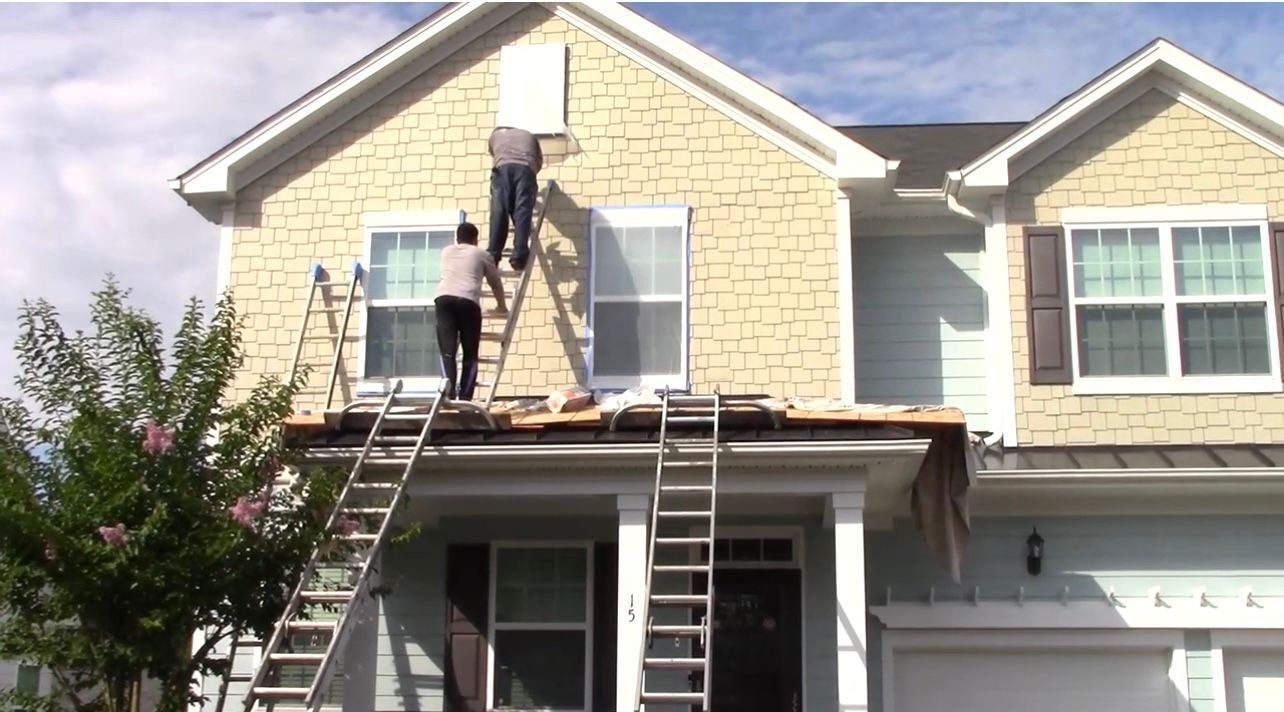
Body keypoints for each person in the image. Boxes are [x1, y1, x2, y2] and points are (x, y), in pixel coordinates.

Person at [434, 222, 506, 401]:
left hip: (444, 300)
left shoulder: (446, 252)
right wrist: (501, 305)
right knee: (470, 353)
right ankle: (465, 396)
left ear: (457, 238)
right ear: (475, 239)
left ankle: (447, 394)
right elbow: (495, 282)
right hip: (468, 302)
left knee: (447, 351)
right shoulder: (482, 254)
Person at [486, 125, 543, 271]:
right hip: (525, 170)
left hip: (502, 170)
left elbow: (495, 155)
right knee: (522, 211)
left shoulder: (495, 137)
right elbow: (538, 163)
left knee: (499, 210)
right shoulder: (529, 135)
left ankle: (493, 254)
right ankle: (519, 255)